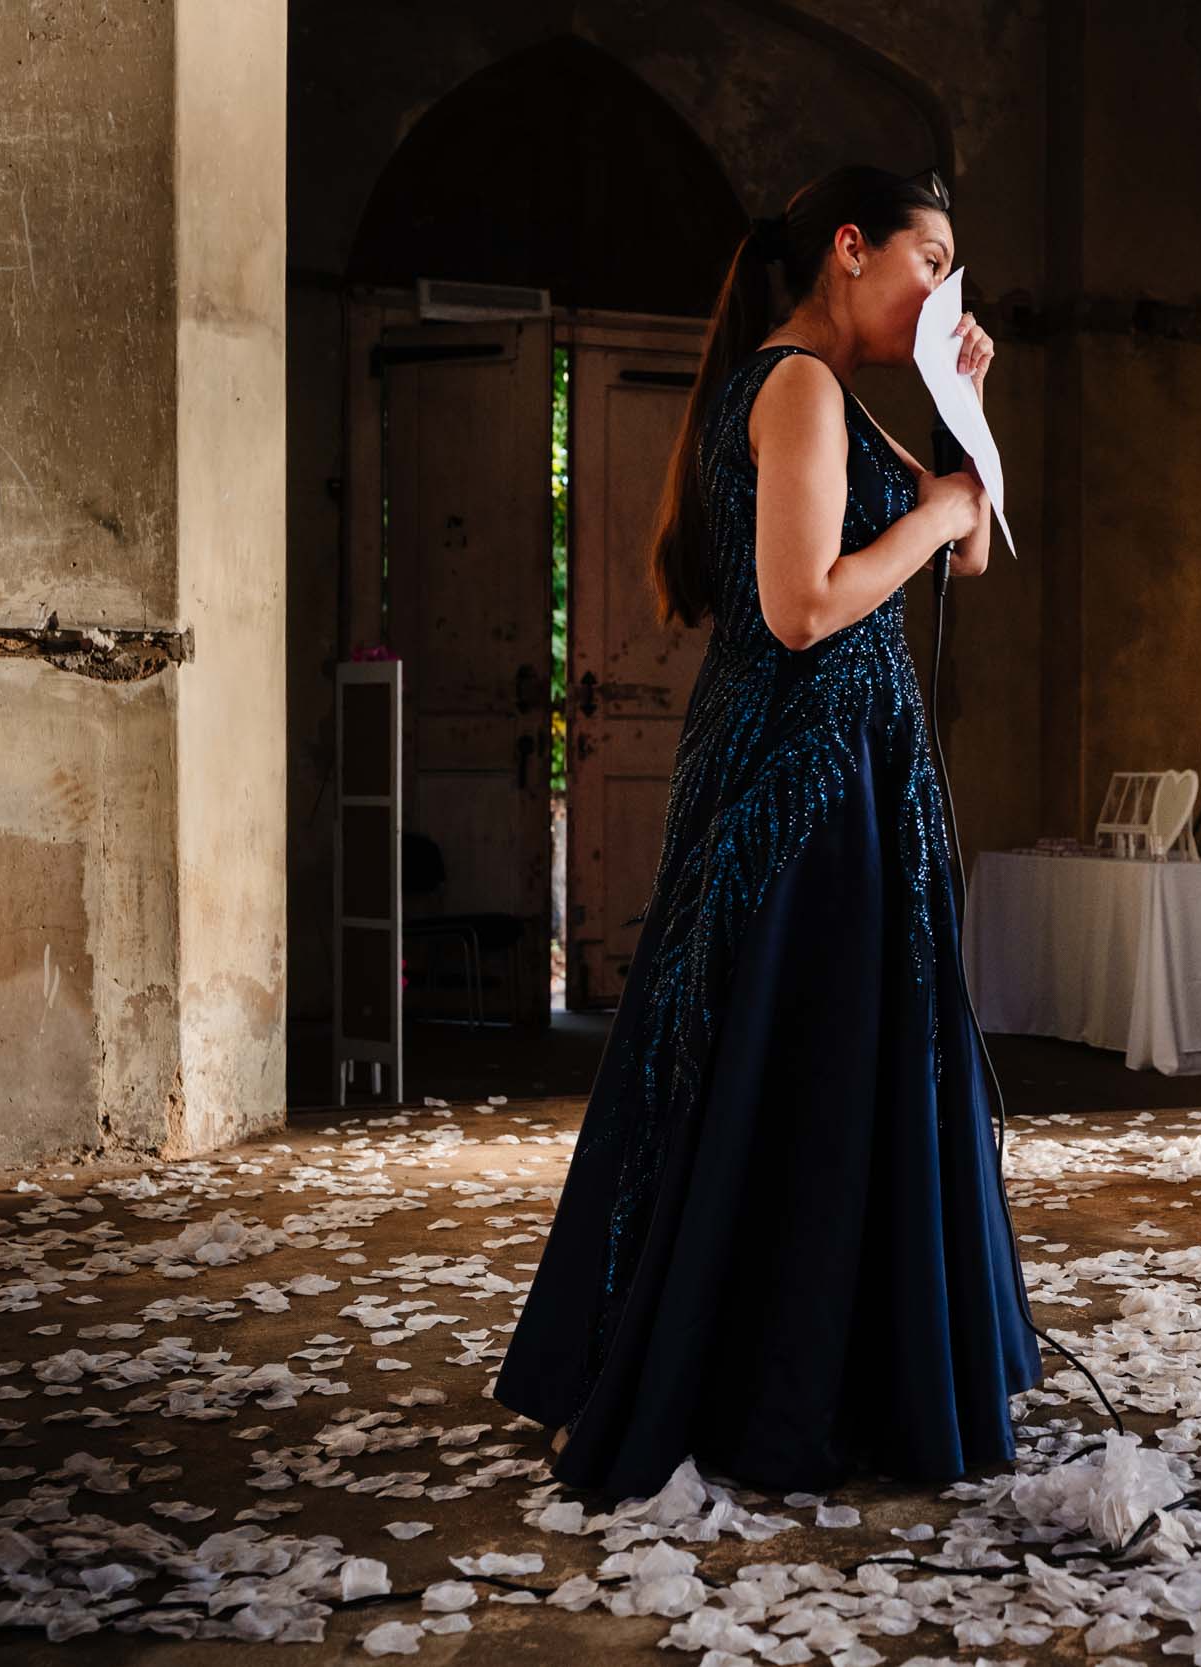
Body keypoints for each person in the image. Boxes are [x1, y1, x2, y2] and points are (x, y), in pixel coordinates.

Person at [494, 167, 1040, 1496]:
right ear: (851, 249)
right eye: (930, 259)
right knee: (783, 1056)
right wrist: (937, 511)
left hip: (854, 760)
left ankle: (843, 1370)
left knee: (836, 1053)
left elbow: (972, 545)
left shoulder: (841, 390)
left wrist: (965, 413)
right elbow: (802, 609)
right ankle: (755, 1381)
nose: (943, 287)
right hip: (800, 772)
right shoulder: (795, 386)